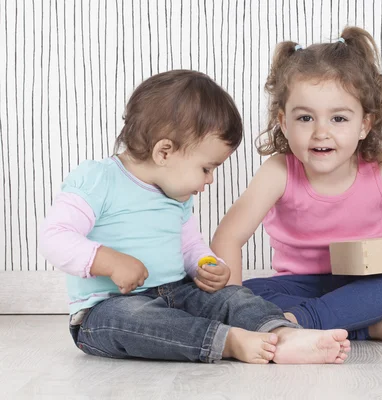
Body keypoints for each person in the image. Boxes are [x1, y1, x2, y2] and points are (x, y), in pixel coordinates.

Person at [38, 70, 350, 364]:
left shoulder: (177, 195)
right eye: (206, 168)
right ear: (164, 152)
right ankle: (227, 341)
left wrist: (204, 264)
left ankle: (281, 335)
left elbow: (189, 246)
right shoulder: (97, 179)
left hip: (178, 292)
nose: (210, 180)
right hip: (105, 308)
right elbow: (56, 237)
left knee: (233, 297)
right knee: (137, 321)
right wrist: (108, 261)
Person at [211, 27, 382, 343]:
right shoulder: (279, 171)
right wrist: (233, 304)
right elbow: (229, 234)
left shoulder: (381, 170)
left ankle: (301, 323)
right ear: (284, 123)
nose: (321, 132)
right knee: (252, 292)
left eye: (338, 119)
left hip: (362, 284)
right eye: (305, 119)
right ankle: (361, 328)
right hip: (296, 285)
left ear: (364, 124)